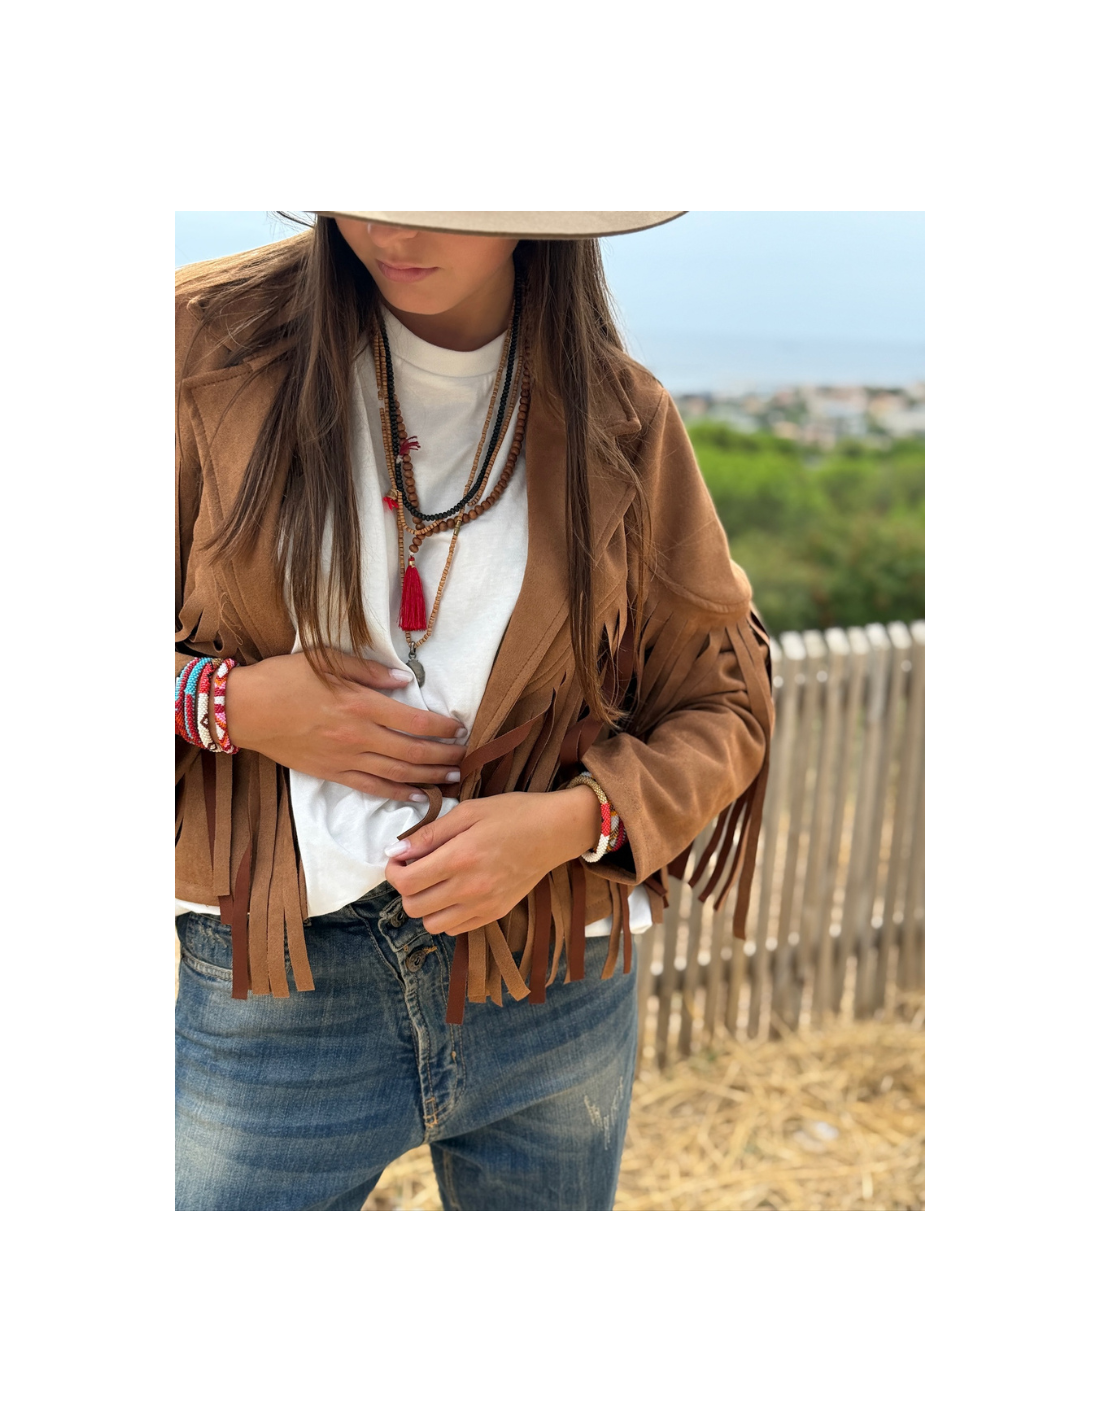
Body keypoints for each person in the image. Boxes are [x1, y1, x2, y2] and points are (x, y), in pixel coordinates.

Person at [175, 211, 773, 1211]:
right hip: (279, 982)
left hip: (551, 976)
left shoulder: (621, 418)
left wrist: (571, 822)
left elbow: (725, 703)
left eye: (446, 196)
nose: (392, 228)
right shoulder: (204, 349)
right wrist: (221, 703)